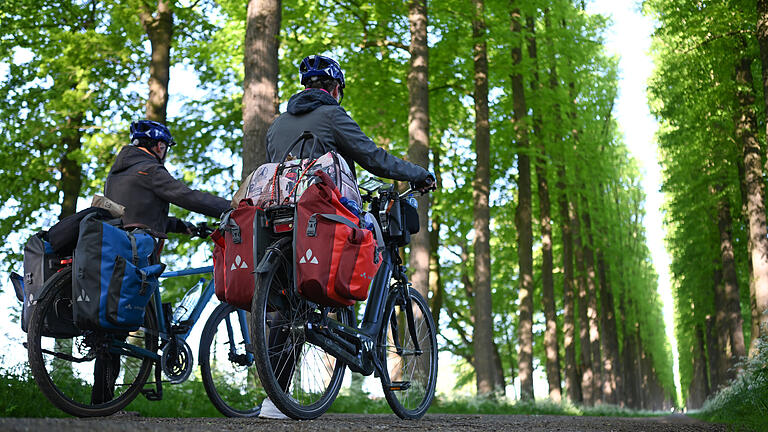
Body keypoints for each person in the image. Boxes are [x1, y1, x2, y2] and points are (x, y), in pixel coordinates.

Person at [259, 55, 435, 420]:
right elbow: (373, 157)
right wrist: (417, 173)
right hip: (322, 217)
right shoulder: (332, 115)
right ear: (335, 88)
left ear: (305, 87)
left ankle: (273, 402)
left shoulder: (277, 125)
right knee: (371, 233)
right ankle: (357, 321)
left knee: (290, 307)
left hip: (282, 220)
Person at [91, 120, 230, 404]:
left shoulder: (117, 174)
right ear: (159, 145)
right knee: (118, 330)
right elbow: (184, 195)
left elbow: (139, 212)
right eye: (165, 146)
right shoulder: (150, 169)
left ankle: (102, 403)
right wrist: (230, 207)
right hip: (140, 252)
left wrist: (185, 227)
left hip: (116, 250)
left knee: (113, 328)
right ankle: (107, 403)